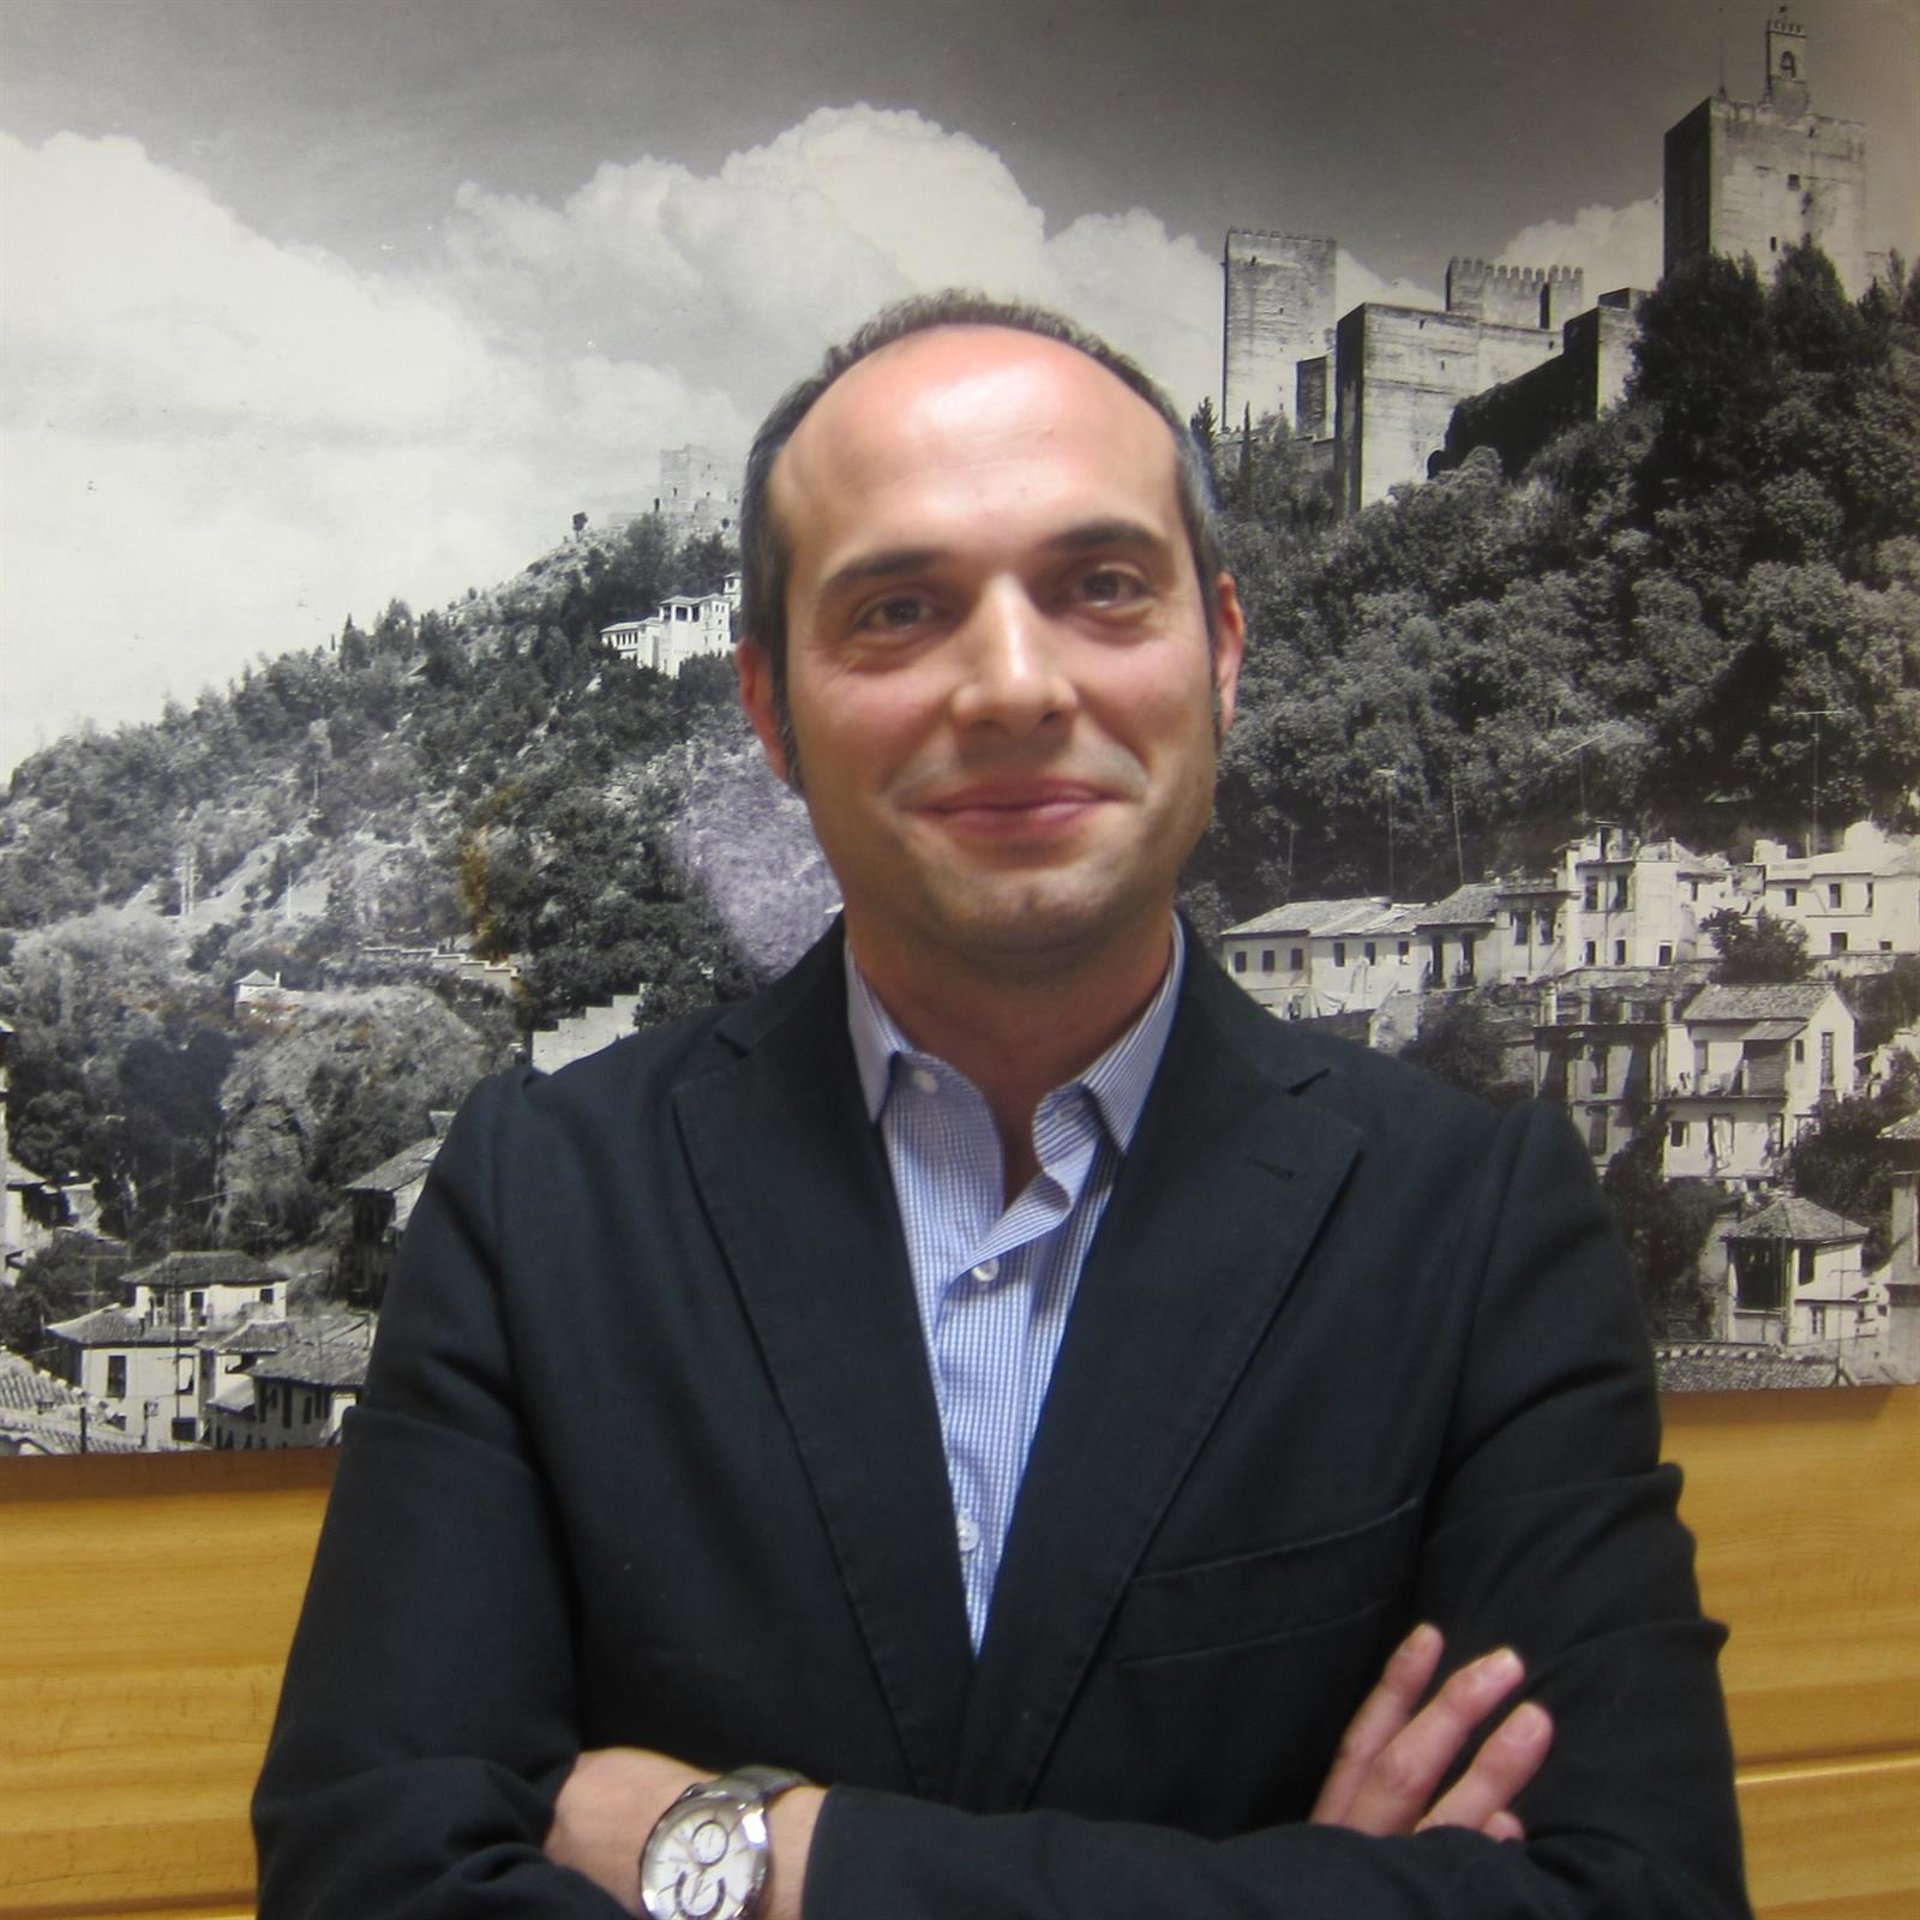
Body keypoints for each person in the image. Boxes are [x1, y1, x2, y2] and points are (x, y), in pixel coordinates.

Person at [254, 293, 1749, 1919]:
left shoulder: (1477, 1227)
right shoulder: (545, 1203)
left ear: (1222, 651)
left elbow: (1640, 1896)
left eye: (1101, 586)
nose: (1016, 685)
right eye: (898, 611)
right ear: (769, 709)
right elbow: (367, 1883)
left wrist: (773, 1863)